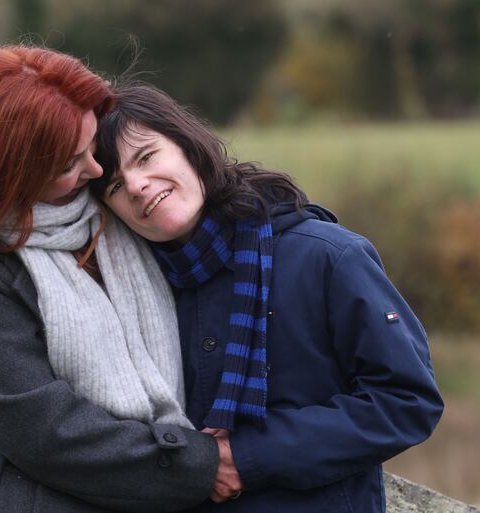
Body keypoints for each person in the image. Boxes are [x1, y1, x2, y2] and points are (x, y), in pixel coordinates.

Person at [92, 83, 444, 512]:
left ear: (187, 145)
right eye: (114, 186)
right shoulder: (129, 296)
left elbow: (406, 401)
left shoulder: (326, 257)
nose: (137, 186)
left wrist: (249, 457)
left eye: (146, 157)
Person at [0, 47, 220, 513]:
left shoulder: (116, 206)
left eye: (89, 147)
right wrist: (200, 465)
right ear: (11, 174)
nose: (96, 171)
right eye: (68, 164)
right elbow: (47, 431)